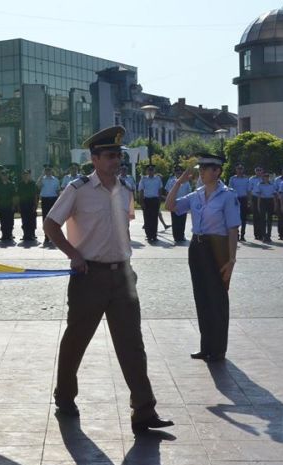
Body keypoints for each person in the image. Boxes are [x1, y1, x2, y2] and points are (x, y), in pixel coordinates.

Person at [42, 125, 173, 434]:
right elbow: (50, 224)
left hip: (123, 276)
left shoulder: (124, 189)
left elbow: (123, 228)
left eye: (119, 156)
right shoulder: (77, 189)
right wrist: (73, 254)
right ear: (95, 158)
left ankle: (144, 410)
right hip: (90, 276)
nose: (117, 161)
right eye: (111, 155)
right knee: (77, 339)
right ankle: (64, 396)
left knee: (132, 344)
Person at [165, 153, 240, 363]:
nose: (201, 173)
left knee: (217, 299)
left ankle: (218, 349)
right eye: (200, 169)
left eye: (204, 169)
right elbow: (170, 206)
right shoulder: (196, 195)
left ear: (216, 171)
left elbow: (233, 229)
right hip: (197, 248)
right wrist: (179, 183)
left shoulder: (227, 196)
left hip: (217, 247)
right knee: (202, 297)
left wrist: (232, 260)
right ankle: (205, 346)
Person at [164, 164, 191, 242]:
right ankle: (176, 236)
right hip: (174, 203)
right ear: (174, 172)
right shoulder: (171, 181)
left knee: (182, 220)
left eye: (180, 171)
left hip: (183, 203)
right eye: (176, 171)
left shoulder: (186, 182)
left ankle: (181, 235)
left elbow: (189, 192)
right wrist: (168, 201)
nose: (178, 173)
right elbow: (167, 192)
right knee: (175, 220)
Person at [137, 164, 162, 242]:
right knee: (147, 218)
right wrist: (141, 202)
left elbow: (160, 190)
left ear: (154, 171)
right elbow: (141, 191)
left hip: (155, 200)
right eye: (149, 170)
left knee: (154, 218)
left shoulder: (158, 179)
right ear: (147, 171)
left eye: (152, 170)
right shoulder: (143, 179)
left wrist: (159, 200)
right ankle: (148, 235)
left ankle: (154, 235)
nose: (150, 171)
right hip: (147, 200)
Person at [37, 164, 60, 245]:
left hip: (53, 200)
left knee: (53, 218)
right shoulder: (42, 179)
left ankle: (53, 236)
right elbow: (38, 186)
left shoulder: (56, 180)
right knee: (45, 218)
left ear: (51, 171)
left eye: (49, 170)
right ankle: (46, 236)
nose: (48, 172)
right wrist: (42, 175)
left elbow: (57, 191)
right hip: (45, 200)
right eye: (46, 170)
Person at [228, 164, 251, 242]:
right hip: (235, 199)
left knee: (243, 218)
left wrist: (249, 201)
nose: (240, 170)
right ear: (236, 169)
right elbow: (230, 190)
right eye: (238, 168)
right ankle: (236, 234)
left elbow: (248, 191)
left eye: (241, 168)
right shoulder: (232, 178)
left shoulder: (246, 179)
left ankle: (242, 235)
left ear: (243, 170)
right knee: (235, 217)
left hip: (244, 199)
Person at [0, 165, 16, 242]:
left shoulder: (11, 184)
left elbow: (13, 196)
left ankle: (9, 234)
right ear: (1, 176)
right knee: (3, 221)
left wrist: (13, 205)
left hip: (9, 206)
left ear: (8, 175)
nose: (4, 176)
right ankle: (4, 235)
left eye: (6, 174)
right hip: (1, 205)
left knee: (10, 221)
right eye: (3, 174)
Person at [253, 171, 276, 243]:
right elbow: (259, 196)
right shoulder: (259, 184)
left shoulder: (272, 184)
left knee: (269, 220)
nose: (266, 178)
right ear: (263, 178)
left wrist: (275, 204)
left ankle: (268, 236)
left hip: (270, 201)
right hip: (263, 201)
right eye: (264, 177)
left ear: (268, 178)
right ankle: (263, 236)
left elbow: (274, 195)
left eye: (267, 177)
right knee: (262, 220)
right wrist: (258, 205)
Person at [17, 169, 38, 242]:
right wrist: (18, 206)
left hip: (31, 205)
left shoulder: (33, 184)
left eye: (27, 175)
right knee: (24, 220)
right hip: (23, 205)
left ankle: (32, 235)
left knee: (31, 220)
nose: (25, 176)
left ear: (29, 176)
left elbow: (35, 195)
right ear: (22, 176)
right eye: (24, 175)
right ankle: (25, 235)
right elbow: (18, 196)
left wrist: (35, 205)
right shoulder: (20, 184)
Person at [249, 166, 265, 240]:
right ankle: (256, 234)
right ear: (255, 171)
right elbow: (249, 190)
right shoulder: (252, 179)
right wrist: (250, 200)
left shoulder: (265, 178)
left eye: (260, 170)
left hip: (263, 199)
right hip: (255, 198)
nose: (258, 171)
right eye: (257, 170)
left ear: (262, 171)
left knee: (262, 217)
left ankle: (262, 234)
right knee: (256, 217)